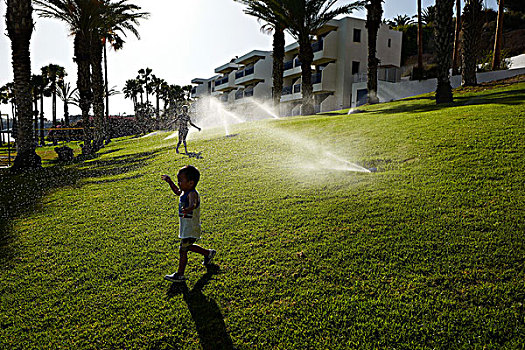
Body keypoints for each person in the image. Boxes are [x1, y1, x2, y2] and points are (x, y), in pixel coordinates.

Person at [161, 165, 216, 282]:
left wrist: (189, 209)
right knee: (187, 247)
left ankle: (180, 274)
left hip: (191, 227)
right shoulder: (184, 192)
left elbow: (194, 204)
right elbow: (177, 191)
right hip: (185, 227)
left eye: (181, 181)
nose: (179, 183)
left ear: (191, 183)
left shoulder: (192, 194)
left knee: (183, 249)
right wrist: (169, 181)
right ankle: (208, 253)